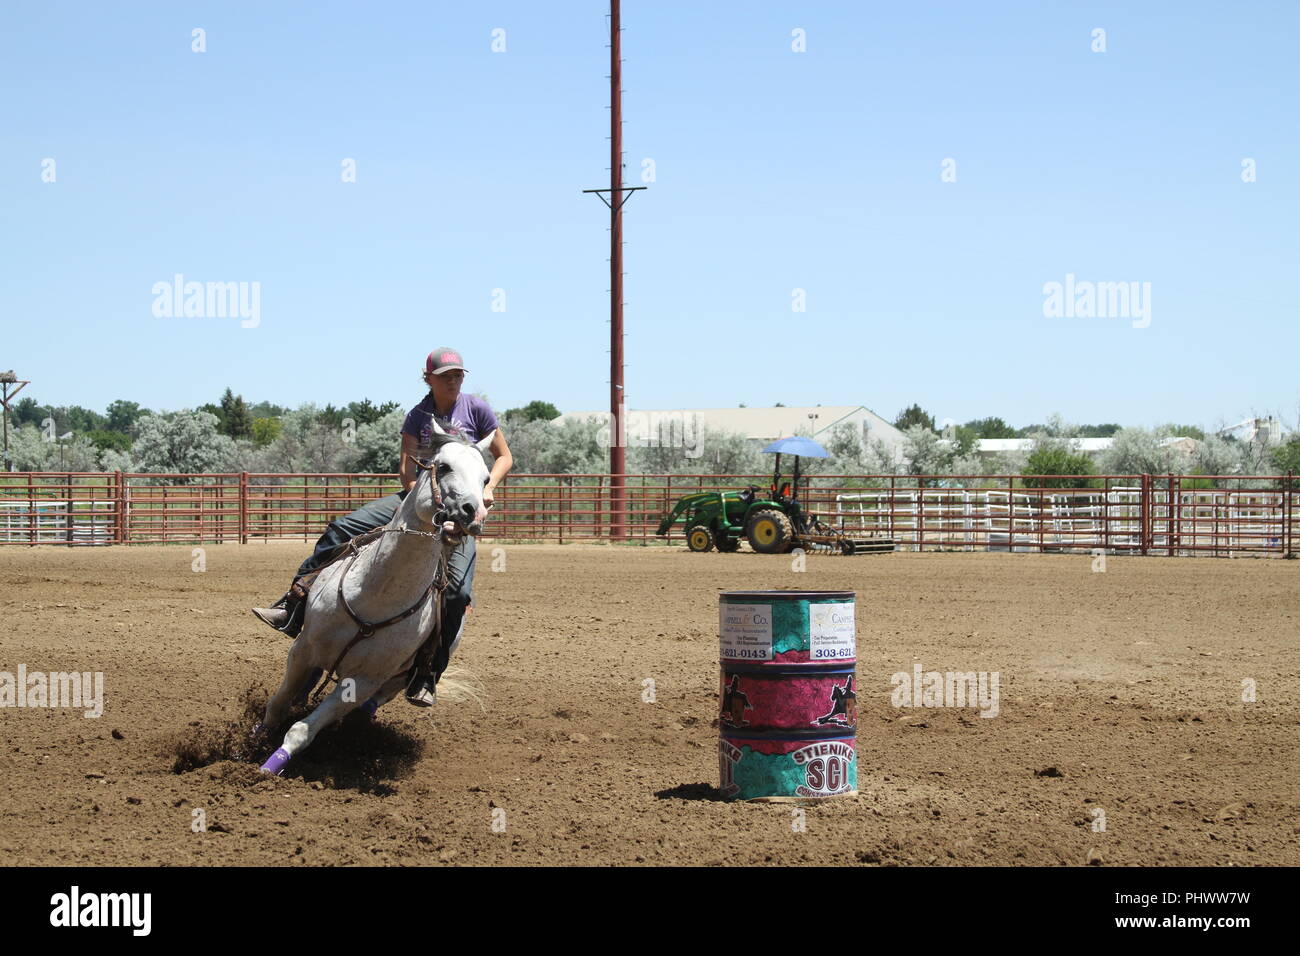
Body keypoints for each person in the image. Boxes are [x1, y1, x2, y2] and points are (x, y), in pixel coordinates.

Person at [250, 347, 513, 706]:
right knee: (340, 529)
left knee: (458, 594)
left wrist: (487, 488)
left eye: (459, 375)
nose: (454, 380)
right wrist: (425, 505)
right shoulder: (417, 417)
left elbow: (504, 456)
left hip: (463, 512)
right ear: (429, 379)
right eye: (446, 375)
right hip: (418, 501)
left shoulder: (477, 409)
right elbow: (407, 474)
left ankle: (426, 673)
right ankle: (293, 606)